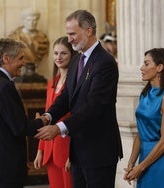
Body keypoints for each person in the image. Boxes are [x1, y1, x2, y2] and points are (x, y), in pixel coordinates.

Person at [34, 10, 123, 188]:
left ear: (88, 31)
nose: (69, 39)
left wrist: (58, 129)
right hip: (78, 150)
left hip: (98, 151)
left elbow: (94, 106)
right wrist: (48, 117)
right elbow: (67, 96)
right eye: (68, 34)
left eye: (73, 33)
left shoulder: (104, 62)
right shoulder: (77, 61)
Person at [0, 38, 48, 188]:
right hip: (5, 168)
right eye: (20, 58)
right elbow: (19, 127)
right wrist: (42, 121)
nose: (24, 63)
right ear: (6, 59)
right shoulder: (4, 86)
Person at [123, 48, 164, 188]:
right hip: (144, 160)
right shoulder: (144, 94)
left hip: (161, 163)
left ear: (160, 67)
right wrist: (131, 164)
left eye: (146, 64)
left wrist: (140, 167)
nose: (142, 68)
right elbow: (140, 134)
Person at [33, 36, 77, 188]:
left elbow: (77, 118)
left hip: (67, 149)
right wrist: (40, 150)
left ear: (72, 55)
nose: (58, 57)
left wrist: (73, 155)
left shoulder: (75, 83)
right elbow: (47, 117)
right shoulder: (52, 82)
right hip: (50, 150)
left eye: (63, 53)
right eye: (56, 53)